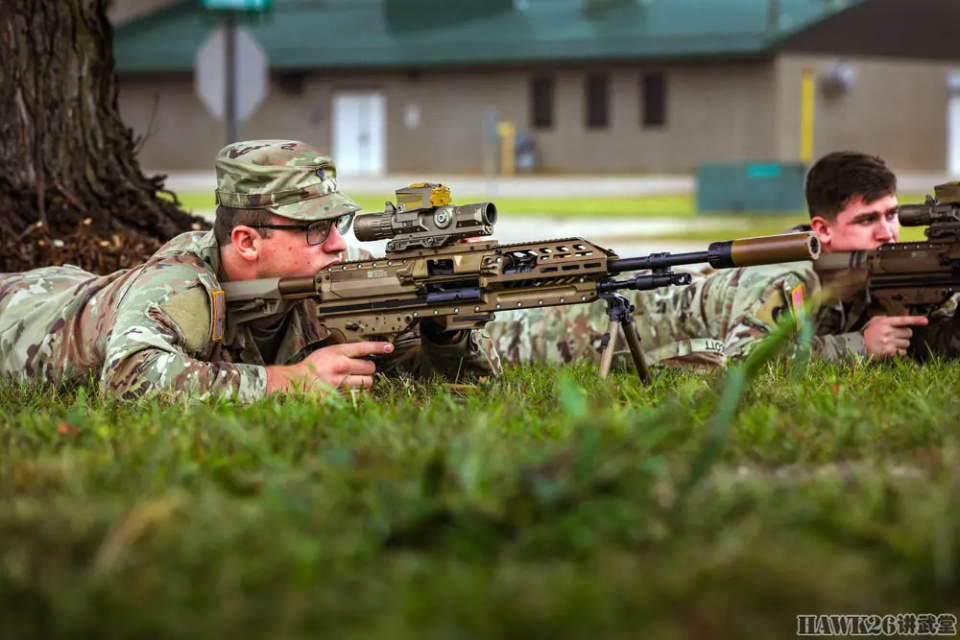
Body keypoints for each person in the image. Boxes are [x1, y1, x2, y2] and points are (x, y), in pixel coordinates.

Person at [0, 139, 501, 401]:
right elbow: (130, 379)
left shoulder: (334, 278)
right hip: (21, 312)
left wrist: (445, 326)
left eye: (337, 224)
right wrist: (291, 383)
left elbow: (437, 381)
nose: (336, 245)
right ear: (247, 242)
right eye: (313, 229)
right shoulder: (181, 281)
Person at [486, 151, 959, 370]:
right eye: (868, 219)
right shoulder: (787, 275)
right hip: (572, 329)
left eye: (894, 214)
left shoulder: (887, 269)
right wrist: (858, 346)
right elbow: (747, 356)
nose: (888, 231)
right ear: (823, 230)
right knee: (456, 347)